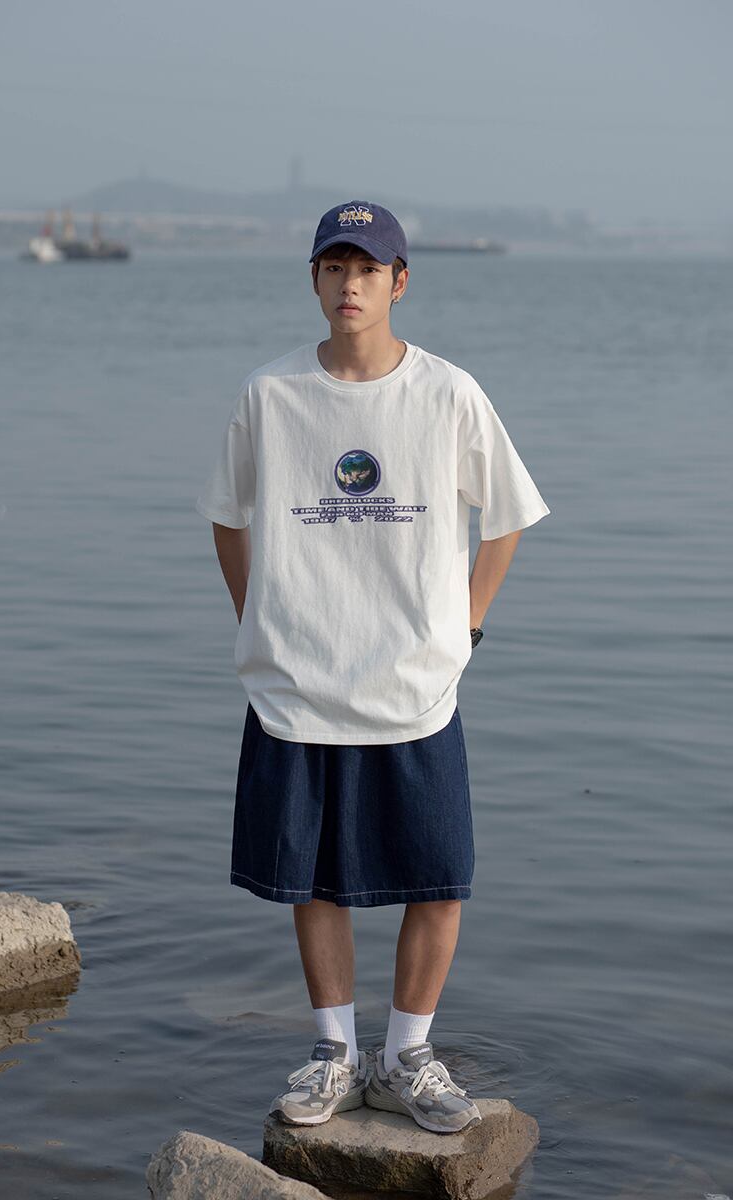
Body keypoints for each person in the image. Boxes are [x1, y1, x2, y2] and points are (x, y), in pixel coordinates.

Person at [195, 200, 550, 1135]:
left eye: (367, 269)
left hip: (415, 683)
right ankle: (335, 1054)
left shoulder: (447, 393)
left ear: (400, 282)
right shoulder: (270, 394)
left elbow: (507, 515)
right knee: (315, 879)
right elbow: (227, 516)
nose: (349, 284)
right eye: (333, 267)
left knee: (440, 876)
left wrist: (465, 626)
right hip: (298, 684)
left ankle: (408, 1057)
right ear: (313, 279)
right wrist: (262, 617)